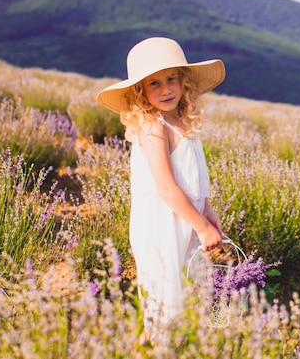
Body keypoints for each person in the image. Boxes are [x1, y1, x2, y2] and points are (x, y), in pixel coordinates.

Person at [96, 37, 225, 342]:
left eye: (171, 79)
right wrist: (202, 227)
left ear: (183, 81)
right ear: (140, 91)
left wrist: (207, 212)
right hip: (161, 226)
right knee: (164, 300)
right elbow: (166, 188)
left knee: (188, 294)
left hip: (185, 222)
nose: (166, 89)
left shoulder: (183, 122)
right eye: (154, 84)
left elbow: (193, 178)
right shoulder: (153, 126)